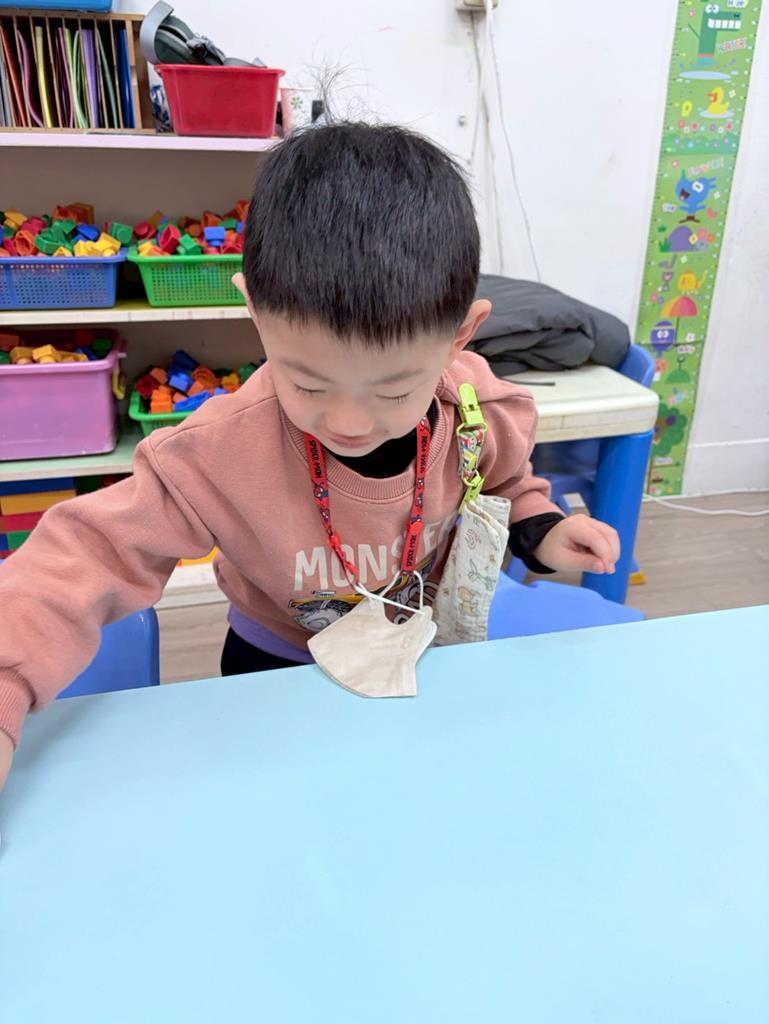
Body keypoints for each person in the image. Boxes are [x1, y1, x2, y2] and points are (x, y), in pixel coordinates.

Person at [0, 123, 618, 790]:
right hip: (274, 666)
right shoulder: (215, 454)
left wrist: (543, 529)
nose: (349, 423)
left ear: (459, 335)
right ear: (255, 312)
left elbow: (503, 483)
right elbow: (83, 557)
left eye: (394, 390)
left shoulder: (478, 411)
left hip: (422, 652)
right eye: (309, 384)